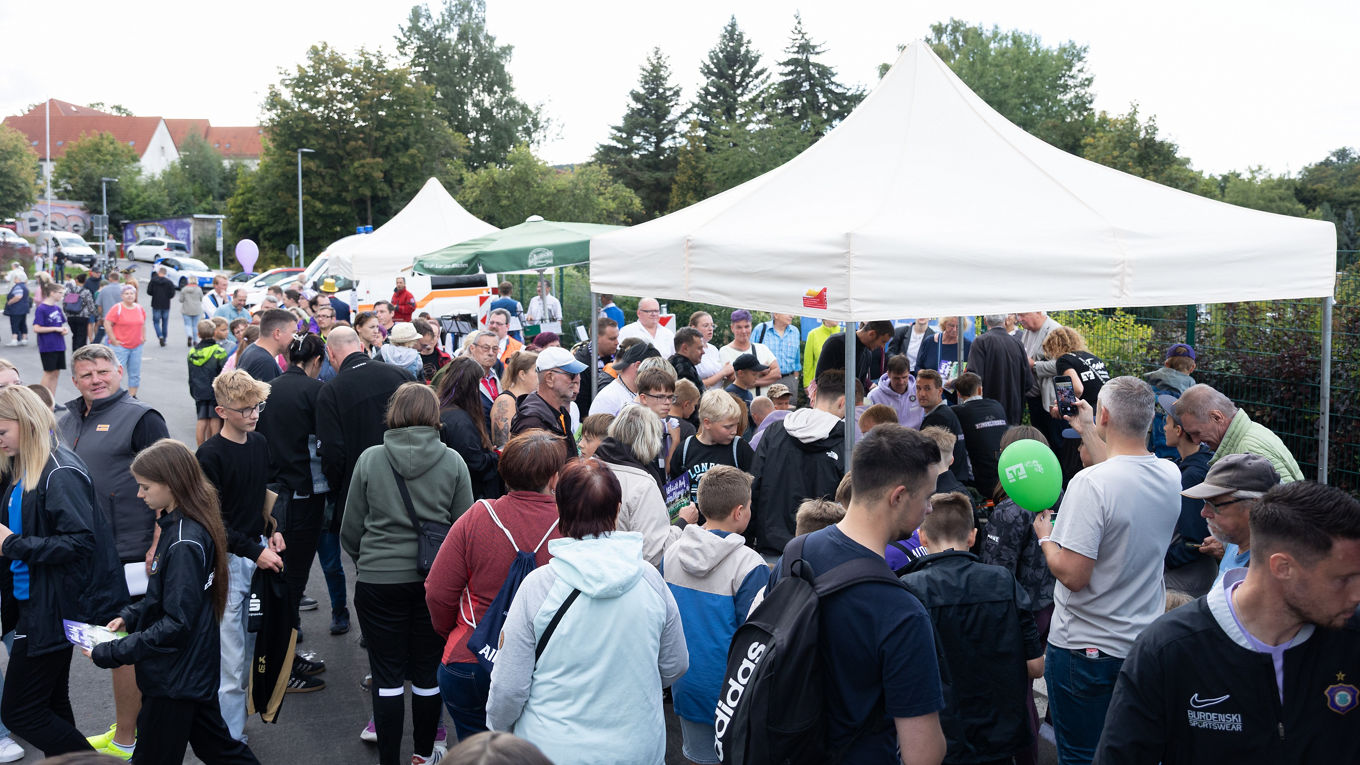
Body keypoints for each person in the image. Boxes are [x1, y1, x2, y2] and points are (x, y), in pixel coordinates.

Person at [1094, 481, 1360, 764]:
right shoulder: (1167, 649)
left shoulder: (1351, 639)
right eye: (1342, 579)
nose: (1356, 593)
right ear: (1283, 568)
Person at [484, 459, 688, 765]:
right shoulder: (650, 580)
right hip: (636, 748)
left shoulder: (538, 587)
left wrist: (498, 733)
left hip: (550, 750)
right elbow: (675, 664)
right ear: (617, 510)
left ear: (559, 510)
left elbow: (508, 690)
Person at [763, 423, 946, 763]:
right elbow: (924, 754)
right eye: (928, 496)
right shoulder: (902, 612)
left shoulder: (796, 552)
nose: (930, 509)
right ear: (899, 496)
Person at [1030, 376, 1181, 765]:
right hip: (1140, 645)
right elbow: (1118, 470)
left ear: (1106, 415)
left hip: (1085, 651)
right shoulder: (1169, 475)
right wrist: (1086, 427)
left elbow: (1074, 577)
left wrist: (1047, 540)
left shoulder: (1090, 484)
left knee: (1082, 756)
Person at [90, 439, 261, 765]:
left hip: (174, 679)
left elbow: (176, 623)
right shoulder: (190, 524)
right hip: (191, 670)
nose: (140, 495)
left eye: (145, 487)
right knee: (221, 750)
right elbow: (174, 599)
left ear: (171, 484)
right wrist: (130, 615)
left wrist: (113, 652)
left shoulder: (183, 541)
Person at [342, 383, 472, 765]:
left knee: (386, 676)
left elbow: (350, 527)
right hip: (435, 582)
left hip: (378, 580)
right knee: (428, 675)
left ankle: (388, 760)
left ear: (393, 414)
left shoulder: (370, 459)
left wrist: (368, 561)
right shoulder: (453, 462)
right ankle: (423, 755)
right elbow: (464, 528)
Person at [0, 386, 126, 757]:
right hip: (35, 602)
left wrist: (12, 545)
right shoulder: (26, 465)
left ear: (26, 422)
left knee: (21, 712)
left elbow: (80, 543)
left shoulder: (59, 470)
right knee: (51, 703)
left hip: (52, 608)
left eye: (2, 431)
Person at [57, 344, 170, 754]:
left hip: (133, 552)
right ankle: (128, 729)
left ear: (120, 371)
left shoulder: (142, 418)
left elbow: (171, 483)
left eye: (103, 371)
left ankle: (127, 738)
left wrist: (159, 540)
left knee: (126, 648)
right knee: (110, 646)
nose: (96, 380)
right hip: (88, 553)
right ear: (75, 381)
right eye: (87, 375)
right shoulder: (66, 419)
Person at [425, 431, 568, 742]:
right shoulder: (569, 525)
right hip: (543, 667)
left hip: (470, 657)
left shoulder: (478, 516)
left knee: (476, 750)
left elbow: (437, 590)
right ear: (555, 478)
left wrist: (453, 632)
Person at [899, 491, 1044, 765]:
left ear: (922, 537)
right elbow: (1036, 666)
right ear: (973, 536)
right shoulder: (1003, 582)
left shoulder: (909, 589)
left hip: (941, 738)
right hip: (1000, 736)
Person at [196, 370, 291, 739]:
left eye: (258, 406)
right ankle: (229, 740)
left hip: (256, 553)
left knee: (251, 647)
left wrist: (275, 528)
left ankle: (232, 730)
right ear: (221, 410)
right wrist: (255, 550)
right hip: (227, 562)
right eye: (245, 409)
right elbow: (211, 521)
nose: (253, 414)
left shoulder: (259, 442)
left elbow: (269, 489)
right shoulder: (209, 455)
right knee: (231, 659)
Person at [662, 466, 767, 765]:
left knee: (695, 756)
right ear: (739, 512)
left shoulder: (672, 554)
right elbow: (755, 637)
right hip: (733, 693)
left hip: (685, 683)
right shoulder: (749, 565)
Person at [255, 332, 332, 680]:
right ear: (317, 361)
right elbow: (327, 443)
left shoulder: (267, 388)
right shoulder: (316, 391)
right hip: (303, 494)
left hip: (269, 493)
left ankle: (283, 656)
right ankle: (284, 666)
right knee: (293, 580)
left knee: (279, 577)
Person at [749, 369, 850, 564]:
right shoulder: (846, 444)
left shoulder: (774, 432)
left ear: (814, 395)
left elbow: (754, 487)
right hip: (820, 553)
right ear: (843, 402)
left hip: (771, 548)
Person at [1182, 453, 1282, 591]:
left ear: (1256, 505)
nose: (1204, 513)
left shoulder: (1270, 569)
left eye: (1215, 504)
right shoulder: (1238, 543)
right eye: (1205, 502)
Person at [594, 405, 678, 567]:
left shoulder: (586, 469)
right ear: (651, 440)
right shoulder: (643, 485)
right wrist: (681, 524)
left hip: (585, 569)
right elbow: (653, 555)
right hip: (624, 576)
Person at [1173, 384, 1303, 482]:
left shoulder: (1247, 452)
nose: (1195, 441)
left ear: (1217, 417)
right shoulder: (1254, 430)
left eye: (1197, 432)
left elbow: (1281, 511)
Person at [1158, 395, 1217, 597]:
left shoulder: (1192, 476)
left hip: (1188, 578)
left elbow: (1195, 540)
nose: (1163, 428)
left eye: (1167, 423)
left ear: (1179, 430)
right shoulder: (1192, 463)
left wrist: (1161, 559)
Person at [670, 390, 754, 503]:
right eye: (728, 427)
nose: (734, 431)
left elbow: (755, 490)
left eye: (736, 425)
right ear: (707, 423)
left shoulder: (739, 449)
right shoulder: (685, 450)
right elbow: (676, 500)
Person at [437, 357, 503, 500]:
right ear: (471, 385)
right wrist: (495, 456)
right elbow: (475, 463)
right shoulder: (460, 421)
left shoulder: (443, 410)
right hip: (470, 495)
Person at [509, 346, 584, 456]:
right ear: (549, 378)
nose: (578, 379)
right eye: (571, 374)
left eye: (578, 374)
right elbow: (535, 471)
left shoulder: (560, 412)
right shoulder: (532, 423)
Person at [966, 313, 1032, 425]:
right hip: (1014, 410)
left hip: (988, 413)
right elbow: (1028, 382)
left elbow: (974, 378)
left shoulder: (980, 342)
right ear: (1005, 320)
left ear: (985, 321)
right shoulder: (1017, 343)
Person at [952, 372, 1009, 498]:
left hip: (980, 479)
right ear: (980, 389)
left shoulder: (957, 412)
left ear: (959, 394)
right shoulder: (997, 406)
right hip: (1005, 473)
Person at [916, 369, 972, 486]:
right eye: (918, 388)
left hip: (947, 485)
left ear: (940, 391)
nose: (921, 393)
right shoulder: (944, 413)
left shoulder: (939, 418)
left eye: (927, 388)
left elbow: (927, 460)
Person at [1016, 311, 1062, 445]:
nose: (1019, 319)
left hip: (1051, 399)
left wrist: (1034, 365)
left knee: (1055, 440)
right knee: (1041, 439)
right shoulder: (1027, 331)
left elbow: (1062, 364)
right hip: (1034, 396)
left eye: (1023, 314)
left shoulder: (1054, 330)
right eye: (1018, 315)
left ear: (1039, 312)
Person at [1144, 343, 1197, 458]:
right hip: (1179, 455)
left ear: (1166, 364)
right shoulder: (1193, 397)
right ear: (1193, 367)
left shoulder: (1148, 389)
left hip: (1150, 453)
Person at [815, 320, 893, 393]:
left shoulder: (867, 354)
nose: (883, 346)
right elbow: (820, 378)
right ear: (871, 334)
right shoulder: (835, 343)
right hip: (829, 402)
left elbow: (860, 387)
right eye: (883, 341)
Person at [186, 320, 227, 445]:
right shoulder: (219, 351)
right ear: (214, 332)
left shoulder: (192, 353)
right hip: (215, 390)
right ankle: (214, 446)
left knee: (202, 419)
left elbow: (190, 374)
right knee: (215, 419)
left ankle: (200, 448)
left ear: (198, 334)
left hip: (199, 390)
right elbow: (223, 372)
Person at [720, 311, 781, 396]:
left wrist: (753, 382)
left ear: (751, 326)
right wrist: (761, 371)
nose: (744, 331)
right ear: (732, 328)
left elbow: (777, 373)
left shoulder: (762, 348)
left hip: (763, 404)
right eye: (739, 327)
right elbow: (732, 378)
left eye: (747, 326)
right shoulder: (724, 351)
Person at [588, 339, 652, 417]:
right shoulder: (608, 398)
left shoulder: (640, 391)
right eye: (653, 370)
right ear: (638, 366)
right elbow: (596, 428)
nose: (655, 376)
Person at [914, 317, 971, 404]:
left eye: (958, 326)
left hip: (955, 398)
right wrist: (926, 375)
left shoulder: (967, 346)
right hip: (931, 397)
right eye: (951, 325)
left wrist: (955, 382)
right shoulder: (930, 342)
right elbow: (918, 366)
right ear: (944, 324)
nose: (955, 329)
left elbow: (970, 374)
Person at [103, 285, 146, 398]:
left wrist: (143, 337)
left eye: (132, 293)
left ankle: (132, 396)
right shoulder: (117, 308)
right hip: (120, 347)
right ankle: (113, 396)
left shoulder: (139, 308)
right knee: (117, 372)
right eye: (126, 293)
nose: (129, 295)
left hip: (136, 346)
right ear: (122, 296)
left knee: (135, 374)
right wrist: (113, 339)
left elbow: (142, 323)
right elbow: (107, 323)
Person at [489, 350, 538, 449]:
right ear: (522, 374)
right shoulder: (506, 401)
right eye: (537, 371)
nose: (541, 376)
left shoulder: (531, 399)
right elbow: (503, 446)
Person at [571, 317, 618, 416]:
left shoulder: (619, 357)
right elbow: (581, 405)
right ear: (597, 338)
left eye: (617, 337)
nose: (617, 342)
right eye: (612, 339)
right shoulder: (581, 364)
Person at [865, 354, 924, 429]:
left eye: (904, 377)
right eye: (896, 378)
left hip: (915, 438)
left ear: (909, 373)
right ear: (888, 374)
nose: (901, 382)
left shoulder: (919, 391)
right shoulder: (874, 396)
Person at [34, 281, 70, 396]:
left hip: (59, 345)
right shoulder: (42, 308)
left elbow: (61, 325)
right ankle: (41, 400)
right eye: (60, 293)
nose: (62, 296)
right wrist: (55, 329)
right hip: (47, 346)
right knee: (48, 373)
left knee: (56, 373)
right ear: (52, 293)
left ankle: (52, 400)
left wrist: (63, 330)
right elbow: (37, 328)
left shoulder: (57, 308)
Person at [238, 309, 292, 383]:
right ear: (277, 333)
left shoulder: (253, 350)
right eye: (293, 333)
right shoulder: (264, 362)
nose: (294, 338)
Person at [688, 311, 732, 390]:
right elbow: (694, 385)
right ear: (693, 328)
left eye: (712, 325)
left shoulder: (713, 349)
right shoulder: (689, 351)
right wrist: (723, 373)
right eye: (706, 326)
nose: (710, 329)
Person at [801, 318, 841, 392]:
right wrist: (807, 384)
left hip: (841, 385)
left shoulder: (845, 332)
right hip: (819, 385)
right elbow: (808, 363)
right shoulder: (813, 334)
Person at [667, 326, 705, 391]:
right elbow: (692, 398)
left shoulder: (670, 364)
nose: (703, 352)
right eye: (699, 348)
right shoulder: (685, 369)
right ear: (685, 348)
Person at [414, 318, 451, 383]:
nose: (431, 339)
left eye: (434, 335)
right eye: (428, 335)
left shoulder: (445, 358)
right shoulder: (412, 357)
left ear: (438, 337)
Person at [146, 268, 175, 348]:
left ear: (159, 272)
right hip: (166, 304)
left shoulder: (153, 281)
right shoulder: (169, 282)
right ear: (165, 273)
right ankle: (164, 339)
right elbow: (172, 294)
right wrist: (167, 297)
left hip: (156, 304)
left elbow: (149, 291)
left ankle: (160, 335)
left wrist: (155, 294)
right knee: (165, 322)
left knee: (156, 322)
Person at [67, 272, 97, 352]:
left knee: (75, 335)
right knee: (82, 336)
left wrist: (67, 313)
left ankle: (74, 352)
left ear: (76, 280)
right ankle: (80, 354)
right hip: (82, 317)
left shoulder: (70, 291)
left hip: (71, 316)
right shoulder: (86, 292)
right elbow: (90, 305)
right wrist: (95, 314)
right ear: (84, 281)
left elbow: (65, 304)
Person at [4, 271, 30, 347]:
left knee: (15, 324)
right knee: (23, 324)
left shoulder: (18, 286)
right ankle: (24, 339)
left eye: (15, 277)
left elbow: (18, 296)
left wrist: (10, 302)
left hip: (16, 309)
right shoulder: (24, 286)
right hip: (24, 308)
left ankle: (14, 340)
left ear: (19, 279)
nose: (14, 279)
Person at [178, 278, 205, 348]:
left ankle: (189, 335)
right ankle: (195, 340)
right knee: (195, 325)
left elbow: (181, 300)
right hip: (197, 309)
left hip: (186, 309)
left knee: (188, 325)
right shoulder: (199, 289)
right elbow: (201, 298)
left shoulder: (184, 289)